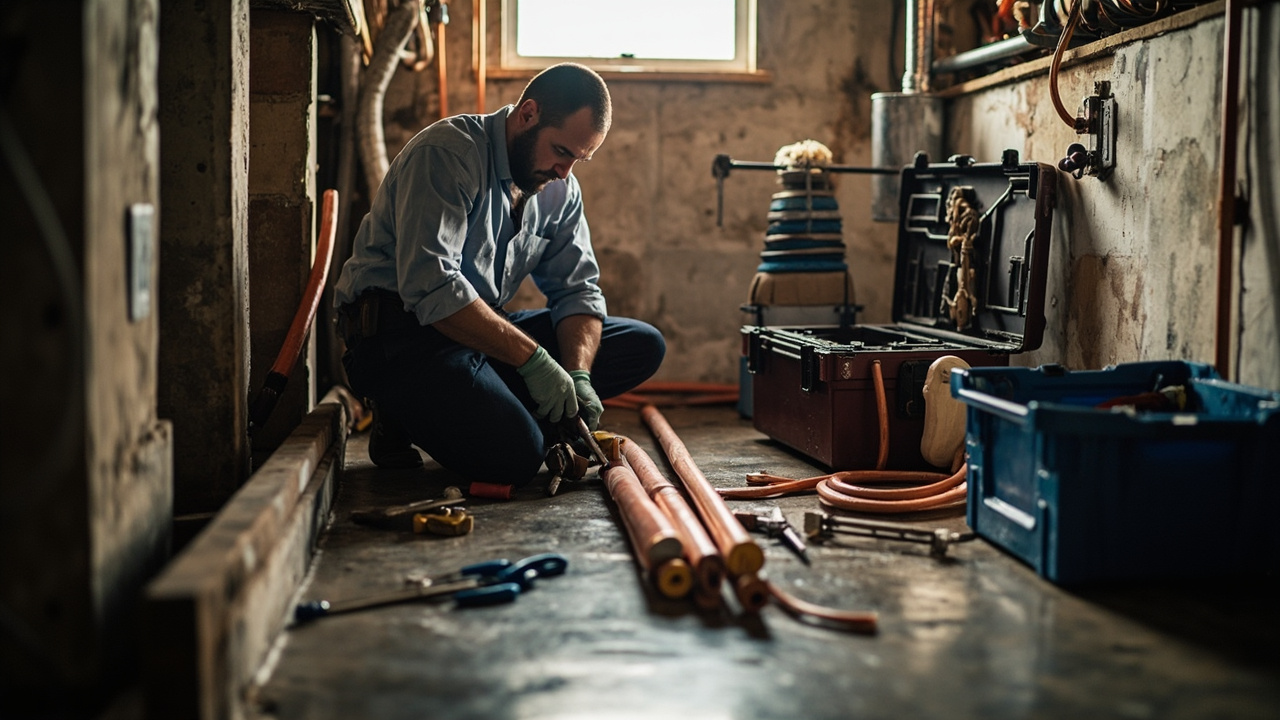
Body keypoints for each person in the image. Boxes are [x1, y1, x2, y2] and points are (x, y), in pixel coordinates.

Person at [334, 63, 665, 488]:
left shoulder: (559, 187)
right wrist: (536, 361)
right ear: (528, 114)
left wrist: (577, 375)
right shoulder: (448, 154)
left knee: (641, 344)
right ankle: (397, 408)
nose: (566, 172)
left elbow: (578, 290)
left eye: (580, 159)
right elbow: (431, 286)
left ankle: (498, 409)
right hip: (401, 334)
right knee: (516, 458)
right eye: (562, 151)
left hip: (476, 329)